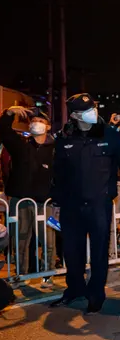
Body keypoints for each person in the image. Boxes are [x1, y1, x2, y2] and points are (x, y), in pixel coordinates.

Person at [50, 93, 120, 314]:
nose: (93, 112)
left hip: (99, 204)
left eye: (93, 107)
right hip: (71, 205)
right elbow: (59, 172)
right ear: (74, 115)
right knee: (72, 251)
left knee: (99, 251)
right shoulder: (65, 138)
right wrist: (56, 201)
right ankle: (74, 290)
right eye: (87, 110)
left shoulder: (109, 134)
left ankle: (96, 295)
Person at [0, 106, 57, 288]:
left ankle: (47, 275)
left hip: (45, 202)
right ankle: (21, 276)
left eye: (40, 121)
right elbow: (3, 131)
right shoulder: (21, 146)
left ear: (48, 126)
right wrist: (9, 113)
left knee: (47, 240)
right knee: (20, 240)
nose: (36, 124)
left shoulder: (56, 150)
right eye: (33, 121)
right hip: (20, 202)